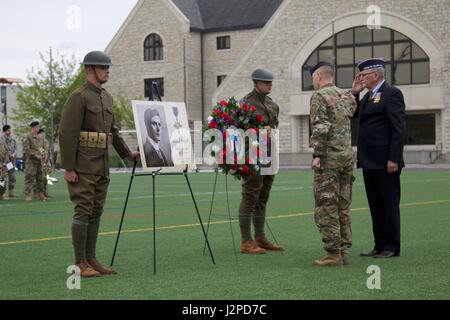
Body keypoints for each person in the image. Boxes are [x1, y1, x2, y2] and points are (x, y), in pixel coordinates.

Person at [59, 51, 139, 278]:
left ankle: (91, 259)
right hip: (83, 165)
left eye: (107, 68)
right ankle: (79, 262)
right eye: (103, 68)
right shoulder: (79, 96)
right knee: (83, 210)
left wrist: (127, 154)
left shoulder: (106, 97)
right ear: (89, 70)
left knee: (95, 211)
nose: (107, 71)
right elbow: (67, 133)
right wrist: (69, 168)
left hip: (101, 165)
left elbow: (113, 132)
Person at [351, 58, 406, 258]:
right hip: (369, 161)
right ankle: (379, 244)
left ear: (375, 75)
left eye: (364, 75)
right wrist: (355, 93)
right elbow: (353, 114)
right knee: (375, 204)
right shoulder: (367, 97)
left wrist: (394, 158)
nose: (361, 78)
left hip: (385, 161)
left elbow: (398, 128)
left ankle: (392, 246)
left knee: (389, 204)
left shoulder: (392, 94)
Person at [309, 62, 357, 266]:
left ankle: (333, 253)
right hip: (347, 158)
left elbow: (321, 126)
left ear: (319, 76)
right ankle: (343, 250)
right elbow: (351, 110)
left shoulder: (319, 96)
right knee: (342, 205)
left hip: (329, 160)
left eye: (313, 78)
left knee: (326, 206)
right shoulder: (346, 96)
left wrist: (317, 154)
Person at [238, 68, 284, 254]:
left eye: (271, 82)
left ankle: (260, 237)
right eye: (266, 82)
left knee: (263, 197)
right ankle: (246, 241)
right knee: (250, 196)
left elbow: (274, 127)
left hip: (270, 154)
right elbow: (236, 131)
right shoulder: (245, 104)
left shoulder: (272, 105)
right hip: (252, 156)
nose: (269, 85)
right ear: (255, 83)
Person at [23, 119, 46, 202]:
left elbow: (40, 147)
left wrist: (43, 154)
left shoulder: (39, 137)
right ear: (33, 127)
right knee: (29, 178)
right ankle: (27, 194)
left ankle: (40, 194)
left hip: (39, 161)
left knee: (40, 178)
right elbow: (26, 149)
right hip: (31, 161)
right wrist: (35, 155)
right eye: (37, 126)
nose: (38, 128)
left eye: (38, 126)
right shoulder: (28, 136)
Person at [1, 124, 17, 198]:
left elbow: (15, 148)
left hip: (10, 162)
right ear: (5, 131)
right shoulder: (1, 139)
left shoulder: (12, 139)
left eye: (10, 130)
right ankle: (1, 193)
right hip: (3, 161)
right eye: (8, 130)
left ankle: (11, 191)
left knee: (12, 176)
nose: (10, 131)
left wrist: (14, 154)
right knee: (3, 177)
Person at [36, 128, 51, 198]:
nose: (43, 135)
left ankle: (45, 192)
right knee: (39, 178)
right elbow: (39, 150)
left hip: (46, 162)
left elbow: (48, 151)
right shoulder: (37, 141)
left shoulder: (46, 141)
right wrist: (43, 155)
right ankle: (37, 193)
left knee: (46, 178)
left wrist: (48, 161)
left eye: (43, 133)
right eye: (41, 133)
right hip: (40, 161)